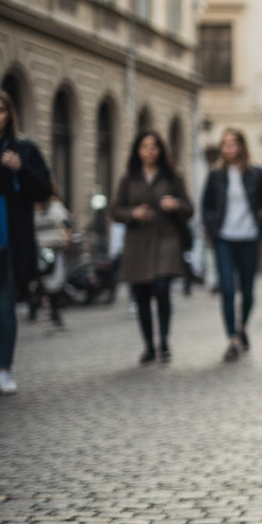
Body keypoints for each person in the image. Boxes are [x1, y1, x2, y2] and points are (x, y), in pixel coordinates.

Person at [0, 91, 53, 394]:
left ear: (10, 115)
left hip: (9, 240)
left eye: (0, 110)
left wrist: (20, 168)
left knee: (3, 307)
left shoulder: (24, 149)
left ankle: (4, 370)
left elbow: (43, 190)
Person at [110, 131, 193, 364]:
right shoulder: (128, 179)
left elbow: (189, 208)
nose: (150, 150)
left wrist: (175, 204)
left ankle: (164, 342)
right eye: (145, 146)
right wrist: (132, 213)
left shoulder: (173, 177)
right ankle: (148, 345)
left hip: (167, 238)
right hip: (138, 241)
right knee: (142, 294)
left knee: (162, 287)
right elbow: (115, 210)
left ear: (161, 150)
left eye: (154, 146)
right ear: (138, 150)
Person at [200, 128, 262, 361]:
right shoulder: (215, 175)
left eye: (232, 143)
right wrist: (213, 230)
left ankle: (242, 327)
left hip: (249, 238)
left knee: (248, 292)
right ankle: (232, 338)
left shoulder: (256, 173)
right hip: (225, 239)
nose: (228, 148)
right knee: (228, 290)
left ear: (241, 146)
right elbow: (206, 205)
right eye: (225, 144)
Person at [31, 192, 71, 324]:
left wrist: (66, 238)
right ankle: (34, 308)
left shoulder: (55, 207)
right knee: (38, 281)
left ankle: (55, 310)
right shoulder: (31, 207)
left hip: (55, 247)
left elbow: (66, 224)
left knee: (56, 281)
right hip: (39, 249)